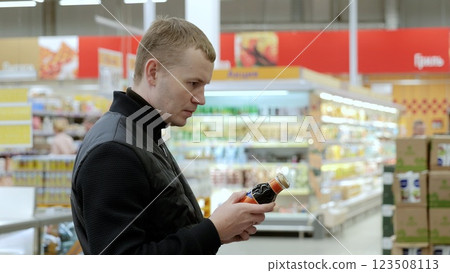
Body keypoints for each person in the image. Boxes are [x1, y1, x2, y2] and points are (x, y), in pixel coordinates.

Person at [70, 17, 274, 255]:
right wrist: (213, 231)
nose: (201, 99)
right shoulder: (115, 151)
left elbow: (158, 229)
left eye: (204, 85)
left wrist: (217, 226)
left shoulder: (143, 133)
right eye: (193, 83)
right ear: (153, 72)